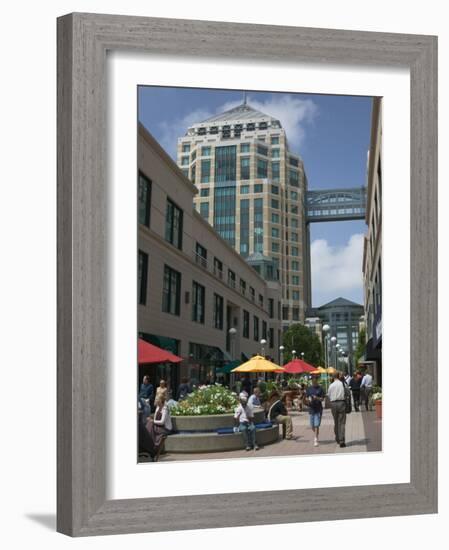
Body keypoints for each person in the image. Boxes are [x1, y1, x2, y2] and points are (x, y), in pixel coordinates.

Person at [145, 394, 173, 461]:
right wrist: (152, 421)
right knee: (150, 424)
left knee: (151, 424)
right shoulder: (157, 407)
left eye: (157, 399)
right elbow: (155, 419)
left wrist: (153, 421)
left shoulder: (165, 409)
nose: (156, 400)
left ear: (161, 400)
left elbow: (162, 422)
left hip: (165, 428)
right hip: (159, 426)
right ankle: (149, 444)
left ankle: (151, 445)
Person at [327, 372, 347, 448]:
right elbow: (347, 393)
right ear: (338, 376)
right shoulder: (342, 384)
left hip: (333, 404)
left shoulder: (331, 385)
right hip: (341, 403)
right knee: (341, 422)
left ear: (333, 377)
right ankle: (342, 440)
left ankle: (337, 438)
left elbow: (328, 395)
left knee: (336, 422)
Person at [305, 375, 325, 446]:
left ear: (317, 380)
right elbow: (306, 398)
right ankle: (316, 433)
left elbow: (322, 399)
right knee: (312, 426)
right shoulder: (308, 389)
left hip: (318, 409)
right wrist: (307, 400)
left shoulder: (320, 389)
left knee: (316, 425)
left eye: (315, 379)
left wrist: (317, 398)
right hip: (311, 408)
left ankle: (316, 439)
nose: (313, 380)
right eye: (312, 379)